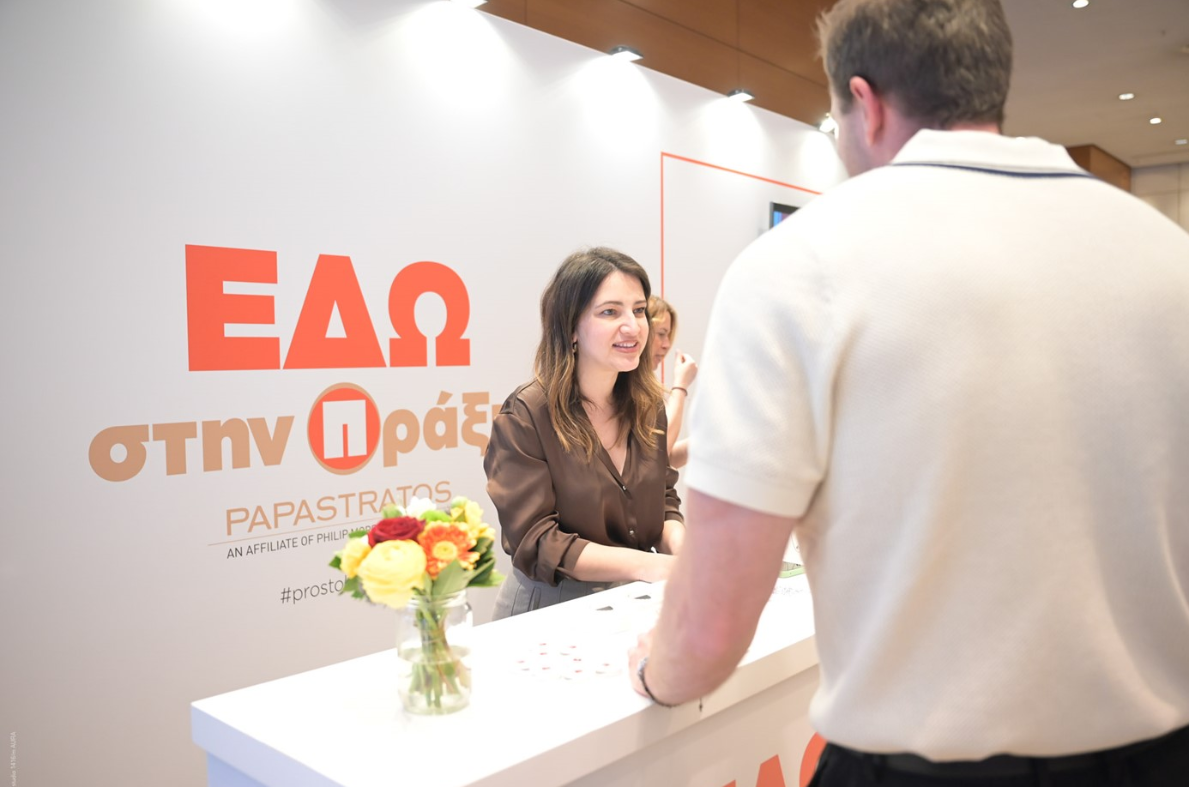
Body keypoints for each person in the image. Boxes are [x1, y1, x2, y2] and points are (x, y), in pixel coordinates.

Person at [629, 1, 1189, 784]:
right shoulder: (1168, 254)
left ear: (864, 103)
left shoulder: (796, 265)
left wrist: (654, 670)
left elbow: (709, 628)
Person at [484, 247, 685, 619]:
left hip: (633, 601)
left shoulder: (648, 406)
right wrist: (651, 565)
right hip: (549, 610)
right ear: (570, 327)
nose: (633, 326)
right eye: (610, 312)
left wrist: (685, 553)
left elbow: (661, 501)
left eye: (638, 310)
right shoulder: (528, 414)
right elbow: (538, 541)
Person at [647, 295, 697, 468]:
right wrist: (680, 386)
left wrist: (705, 440)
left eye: (668, 335)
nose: (667, 344)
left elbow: (665, 458)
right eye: (661, 334)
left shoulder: (648, 388)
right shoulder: (623, 386)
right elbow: (659, 453)